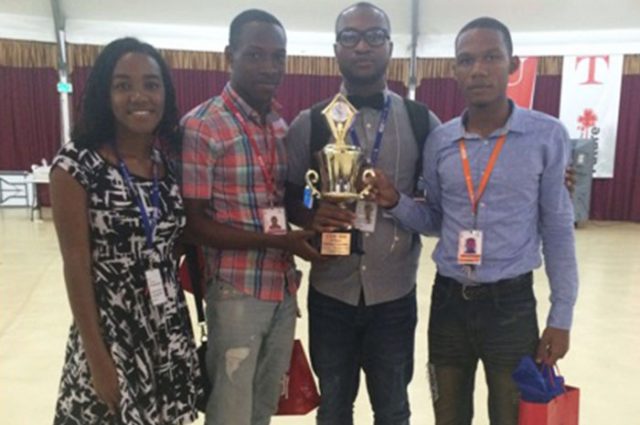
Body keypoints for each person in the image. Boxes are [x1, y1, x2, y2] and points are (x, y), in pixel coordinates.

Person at [372, 17, 579, 425]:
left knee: (509, 417)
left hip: (512, 307)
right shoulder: (441, 141)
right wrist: (395, 201)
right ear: (454, 71)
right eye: (466, 60)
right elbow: (434, 219)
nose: (478, 69)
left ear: (513, 65)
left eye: (491, 58)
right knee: (448, 418)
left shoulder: (546, 136)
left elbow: (557, 229)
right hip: (449, 303)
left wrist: (561, 317)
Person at [285, 3, 440, 424]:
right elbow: (285, 193)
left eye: (374, 36)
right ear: (336, 49)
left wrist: (395, 201)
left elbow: (442, 211)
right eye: (350, 37)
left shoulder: (422, 122)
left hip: (394, 296)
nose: (362, 46)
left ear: (391, 47)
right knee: (333, 408)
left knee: (392, 409)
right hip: (331, 291)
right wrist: (311, 213)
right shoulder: (309, 122)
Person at [179, 9, 321, 425]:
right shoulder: (203, 127)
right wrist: (277, 241)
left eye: (279, 57)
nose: (270, 67)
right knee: (231, 410)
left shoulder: (278, 125)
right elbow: (193, 224)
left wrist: (324, 214)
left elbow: (285, 200)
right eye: (256, 55)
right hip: (234, 291)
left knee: (262, 407)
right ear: (230, 55)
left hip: (282, 286)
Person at [50, 37, 201, 424]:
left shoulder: (165, 165)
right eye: (123, 85)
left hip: (167, 330)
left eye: (151, 84)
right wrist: (98, 359)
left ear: (165, 93)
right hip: (110, 331)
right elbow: (76, 266)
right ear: (106, 93)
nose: (139, 96)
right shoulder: (76, 165)